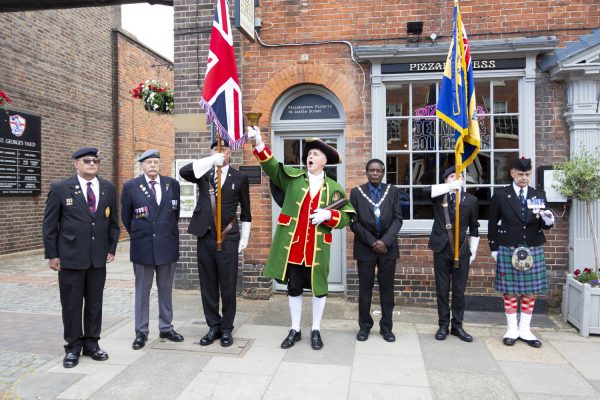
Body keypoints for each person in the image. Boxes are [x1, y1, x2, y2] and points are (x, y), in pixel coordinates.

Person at [249, 126, 355, 350]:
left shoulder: (334, 189)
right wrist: (259, 143)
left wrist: (329, 214)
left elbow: (347, 217)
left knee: (319, 289)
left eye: (315, 154)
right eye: (309, 154)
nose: (310, 157)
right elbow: (272, 167)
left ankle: (316, 329)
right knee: (294, 288)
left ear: (324, 161)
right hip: (294, 247)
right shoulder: (293, 179)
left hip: (317, 249)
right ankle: (295, 329)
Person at [42, 147, 120, 368]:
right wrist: (52, 254)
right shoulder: (60, 188)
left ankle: (92, 344)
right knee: (72, 304)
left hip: (97, 259)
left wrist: (111, 248)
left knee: (95, 303)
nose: (92, 164)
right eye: (87, 161)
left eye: (96, 161)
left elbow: (113, 223)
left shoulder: (107, 188)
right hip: (70, 258)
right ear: (75, 163)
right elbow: (50, 225)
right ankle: (73, 347)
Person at [179, 140, 251, 347]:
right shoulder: (204, 173)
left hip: (229, 236)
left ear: (230, 153)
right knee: (208, 284)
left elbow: (246, 211)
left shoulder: (240, 177)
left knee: (228, 284)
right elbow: (184, 172)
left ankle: (227, 328)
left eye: (224, 150)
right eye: (216, 150)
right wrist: (210, 161)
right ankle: (213, 326)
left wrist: (244, 237)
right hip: (205, 235)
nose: (220, 152)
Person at [488, 157, 554, 348]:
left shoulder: (538, 194)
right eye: (520, 174)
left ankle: (525, 329)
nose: (524, 178)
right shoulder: (501, 195)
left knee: (530, 292)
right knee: (509, 291)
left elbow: (544, 223)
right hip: (508, 246)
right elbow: (493, 223)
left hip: (533, 246)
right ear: (512, 173)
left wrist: (548, 219)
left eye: (527, 174)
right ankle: (511, 329)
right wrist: (493, 248)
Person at [121, 149, 184, 350]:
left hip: (167, 245)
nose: (153, 165)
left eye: (156, 162)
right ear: (141, 165)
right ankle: (141, 331)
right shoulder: (131, 186)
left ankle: (166, 327)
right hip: (143, 246)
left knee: (166, 290)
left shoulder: (171, 185)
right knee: (142, 291)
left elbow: (175, 213)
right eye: (149, 162)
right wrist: (143, 234)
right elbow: (126, 217)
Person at [349, 159, 402, 342]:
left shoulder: (393, 191)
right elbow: (353, 221)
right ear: (366, 172)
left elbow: (397, 219)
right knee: (365, 290)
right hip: (365, 247)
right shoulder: (356, 193)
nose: (375, 173)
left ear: (383, 172)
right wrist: (373, 242)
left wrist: (385, 241)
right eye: (371, 170)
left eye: (379, 170)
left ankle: (386, 328)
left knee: (387, 290)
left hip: (388, 248)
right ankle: (364, 327)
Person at [428, 166, 480, 342]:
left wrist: (473, 251)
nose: (455, 179)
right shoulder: (438, 196)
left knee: (459, 290)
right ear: (445, 180)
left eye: (458, 177)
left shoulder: (471, 200)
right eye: (451, 176)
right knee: (442, 289)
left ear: (463, 180)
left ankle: (457, 325)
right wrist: (450, 187)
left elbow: (474, 227)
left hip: (462, 250)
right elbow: (427, 191)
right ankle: (443, 325)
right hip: (441, 249)